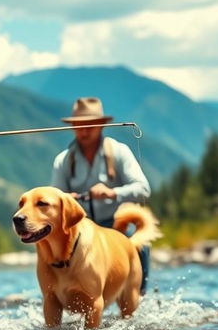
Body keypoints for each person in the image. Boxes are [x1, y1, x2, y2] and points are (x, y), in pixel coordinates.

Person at [51, 97, 152, 294]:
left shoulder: (119, 152)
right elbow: (54, 199)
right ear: (72, 127)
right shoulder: (63, 160)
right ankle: (59, 292)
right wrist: (66, 200)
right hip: (81, 232)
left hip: (117, 227)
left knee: (141, 245)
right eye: (79, 126)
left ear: (102, 125)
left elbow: (143, 189)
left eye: (89, 125)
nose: (84, 131)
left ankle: (140, 293)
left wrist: (112, 193)